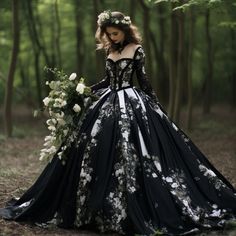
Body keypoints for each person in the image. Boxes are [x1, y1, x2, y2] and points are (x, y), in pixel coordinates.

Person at [0, 10, 236, 236]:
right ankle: (96, 206)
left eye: (115, 33)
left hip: (132, 102)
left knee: (134, 150)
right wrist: (83, 91)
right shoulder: (110, 51)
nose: (111, 38)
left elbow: (143, 81)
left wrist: (156, 108)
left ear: (125, 30)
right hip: (108, 102)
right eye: (108, 34)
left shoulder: (136, 50)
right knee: (94, 148)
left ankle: (134, 202)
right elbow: (107, 80)